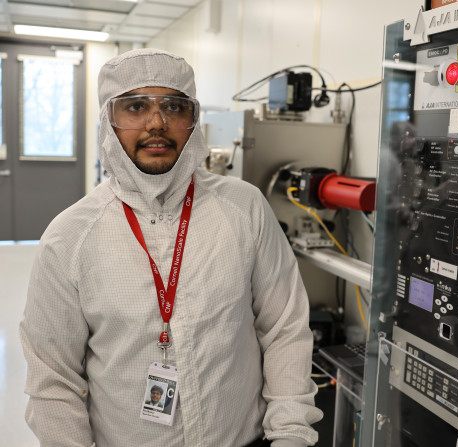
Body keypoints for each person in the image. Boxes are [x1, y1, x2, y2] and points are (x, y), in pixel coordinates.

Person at [19, 48, 322, 447]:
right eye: (136, 107)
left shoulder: (243, 208)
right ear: (109, 121)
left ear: (193, 121)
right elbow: (53, 379)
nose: (157, 122)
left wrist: (290, 436)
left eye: (175, 106)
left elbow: (285, 329)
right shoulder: (70, 237)